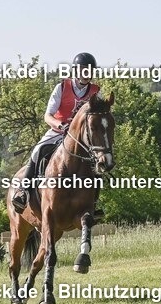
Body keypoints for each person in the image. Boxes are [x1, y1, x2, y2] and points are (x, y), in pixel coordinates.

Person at [11, 52, 101, 214]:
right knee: (38, 150)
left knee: (96, 161)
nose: (87, 73)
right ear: (76, 70)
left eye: (89, 70)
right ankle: (23, 191)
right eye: (83, 70)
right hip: (58, 131)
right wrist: (60, 124)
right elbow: (48, 115)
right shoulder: (62, 87)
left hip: (81, 138)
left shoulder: (95, 92)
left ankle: (94, 203)